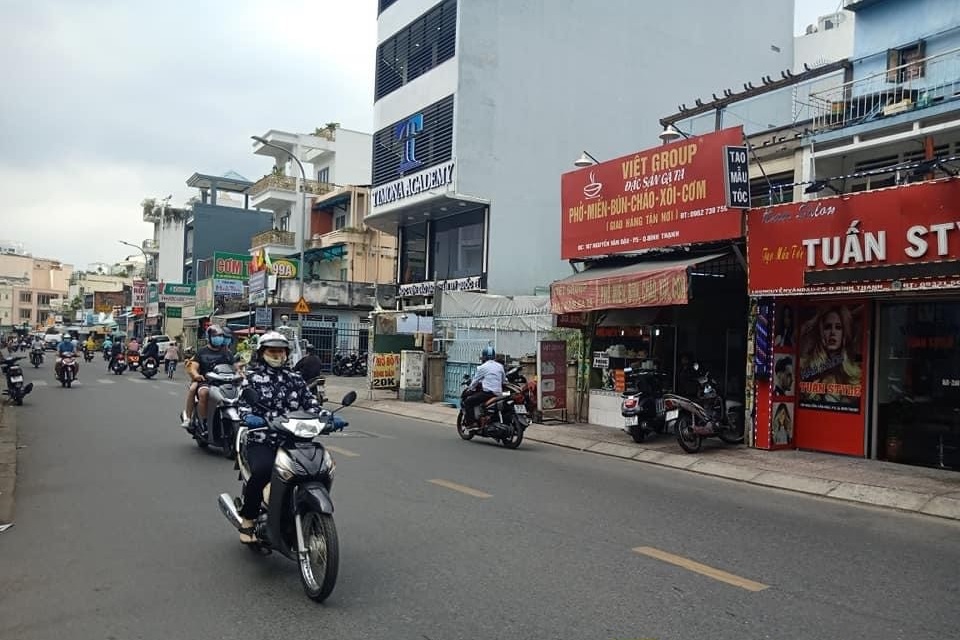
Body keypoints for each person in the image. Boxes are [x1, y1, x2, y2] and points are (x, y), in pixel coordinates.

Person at [236, 331, 320, 543]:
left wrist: (328, 417)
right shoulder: (252, 379)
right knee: (263, 471)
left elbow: (311, 404)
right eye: (272, 351)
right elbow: (243, 406)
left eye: (280, 351)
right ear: (262, 353)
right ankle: (248, 520)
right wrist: (250, 417)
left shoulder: (295, 379)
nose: (277, 355)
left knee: (315, 469)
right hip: (263, 440)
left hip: (295, 440)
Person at [798, 305, 863, 408]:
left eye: (838, 327)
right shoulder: (807, 366)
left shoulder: (854, 371)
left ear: (844, 333)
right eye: (828, 327)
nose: (833, 332)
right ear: (821, 332)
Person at [181, 325, 235, 428]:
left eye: (220, 336)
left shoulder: (227, 353)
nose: (218, 338)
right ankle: (201, 421)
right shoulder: (201, 352)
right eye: (215, 336)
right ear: (209, 337)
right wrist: (196, 375)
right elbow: (193, 367)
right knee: (203, 393)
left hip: (224, 382)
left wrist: (241, 373)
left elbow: (235, 367)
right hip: (206, 381)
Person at [461, 346, 505, 427]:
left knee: (468, 402)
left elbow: (475, 381)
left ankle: (472, 423)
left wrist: (470, 389)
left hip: (488, 394)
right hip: (499, 393)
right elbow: (503, 380)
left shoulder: (482, 367)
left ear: (484, 357)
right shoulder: (500, 366)